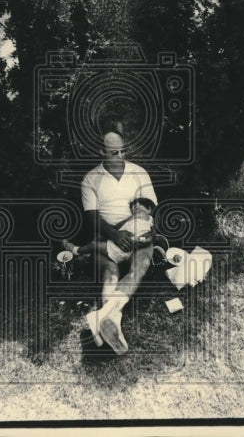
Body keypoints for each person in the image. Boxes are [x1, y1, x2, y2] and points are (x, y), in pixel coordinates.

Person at [77, 131, 158, 355]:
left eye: (123, 150)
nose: (120, 156)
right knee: (109, 272)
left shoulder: (139, 173)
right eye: (114, 152)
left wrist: (150, 234)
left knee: (139, 266)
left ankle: (105, 316)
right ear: (101, 152)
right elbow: (91, 219)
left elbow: (153, 209)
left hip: (136, 236)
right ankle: (111, 321)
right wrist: (114, 235)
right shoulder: (91, 179)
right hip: (106, 238)